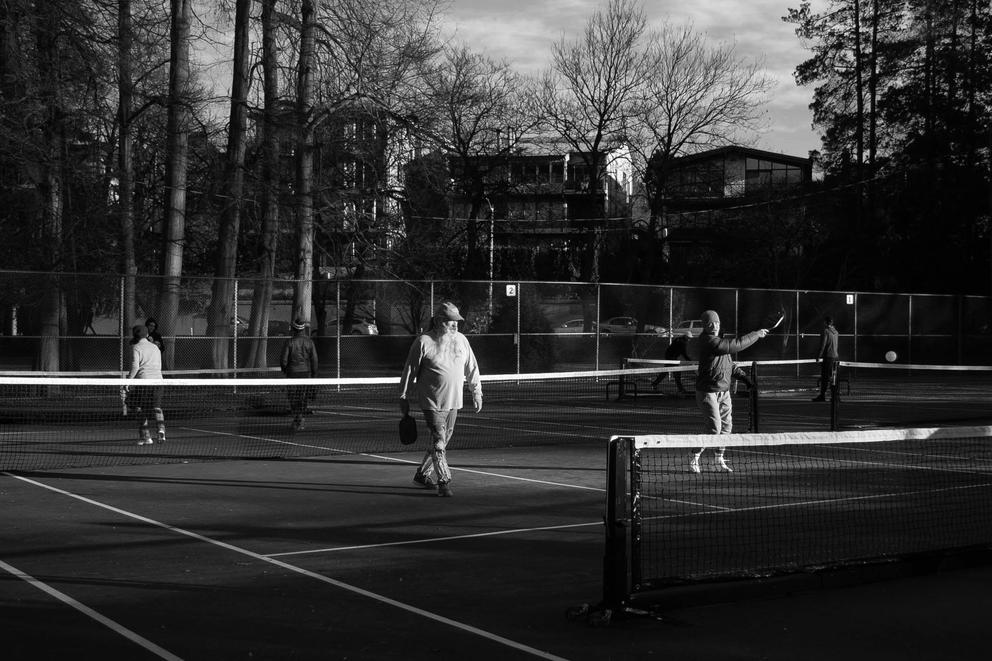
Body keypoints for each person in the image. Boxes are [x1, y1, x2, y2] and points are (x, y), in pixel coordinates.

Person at [398, 301, 482, 498]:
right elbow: (409, 371)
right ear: (438, 321)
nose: (455, 325)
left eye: (457, 321)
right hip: (432, 402)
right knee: (439, 441)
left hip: (455, 401)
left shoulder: (462, 340)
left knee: (443, 441)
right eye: (450, 321)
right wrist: (403, 395)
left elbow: (472, 368)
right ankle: (444, 481)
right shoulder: (423, 341)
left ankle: (422, 475)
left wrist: (476, 392)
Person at [691, 309, 768, 473]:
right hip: (707, 392)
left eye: (717, 323)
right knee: (714, 428)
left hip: (724, 392)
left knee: (727, 427)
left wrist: (746, 379)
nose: (715, 326)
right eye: (711, 323)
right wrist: (756, 334)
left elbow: (729, 365)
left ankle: (717, 460)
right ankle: (694, 457)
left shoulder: (720, 344)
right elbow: (736, 345)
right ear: (705, 326)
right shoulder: (708, 341)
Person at [127, 324, 165, 446]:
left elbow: (135, 366)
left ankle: (146, 437)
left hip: (144, 382)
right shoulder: (156, 348)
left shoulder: (136, 347)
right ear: (147, 334)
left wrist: (128, 381)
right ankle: (161, 429)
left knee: (140, 409)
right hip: (158, 381)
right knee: (157, 407)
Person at [280, 318, 319, 431]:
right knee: (302, 396)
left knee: (293, 397)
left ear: (293, 328)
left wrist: (286, 370)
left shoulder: (290, 342)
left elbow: (283, 360)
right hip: (305, 373)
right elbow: (314, 360)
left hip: (292, 373)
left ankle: (298, 418)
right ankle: (299, 418)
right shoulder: (309, 342)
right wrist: (314, 375)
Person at [813, 315, 839, 402]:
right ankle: (834, 396)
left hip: (828, 357)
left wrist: (818, 356)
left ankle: (822, 396)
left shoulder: (826, 331)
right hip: (835, 357)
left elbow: (823, 345)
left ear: (826, 322)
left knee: (825, 377)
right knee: (833, 378)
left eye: (824, 322)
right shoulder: (836, 332)